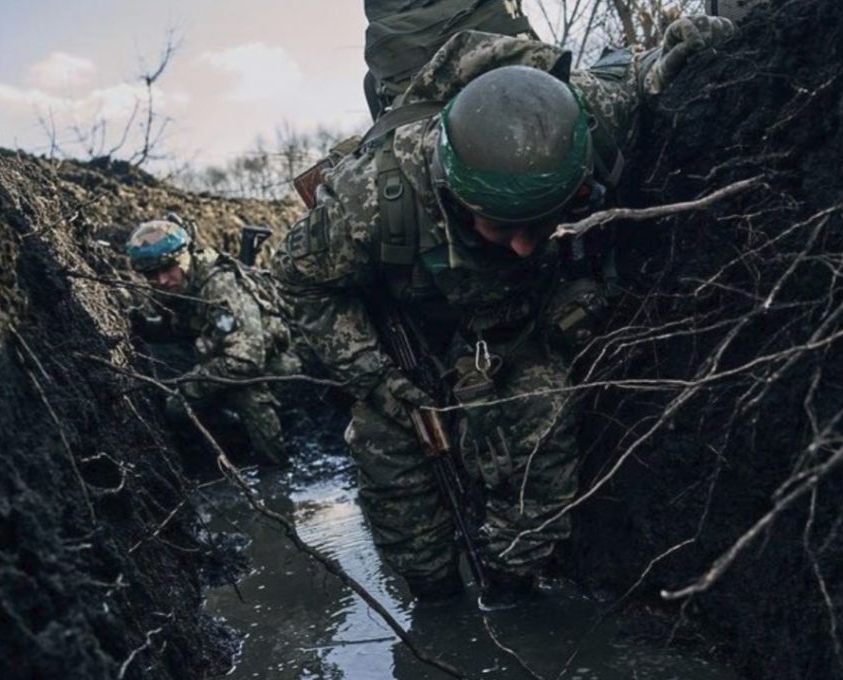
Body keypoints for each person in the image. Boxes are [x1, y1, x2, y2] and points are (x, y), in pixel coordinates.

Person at [272, 17, 736, 604]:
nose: (523, 246)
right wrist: (381, 381)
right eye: (501, 227)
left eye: (540, 224)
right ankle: (435, 599)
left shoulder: (584, 122)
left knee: (543, 422)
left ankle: (516, 587)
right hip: (413, 338)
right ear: (453, 193)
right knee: (391, 465)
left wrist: (676, 54)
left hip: (521, 330)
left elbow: (637, 74)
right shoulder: (372, 200)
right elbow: (297, 280)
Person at [125, 218, 300, 465]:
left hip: (279, 365)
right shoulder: (180, 286)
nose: (162, 280)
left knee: (245, 392)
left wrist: (189, 387)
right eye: (151, 274)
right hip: (225, 357)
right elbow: (183, 328)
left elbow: (246, 360)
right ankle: (232, 441)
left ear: (185, 255)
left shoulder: (219, 285)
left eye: (168, 268)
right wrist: (146, 328)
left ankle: (276, 469)